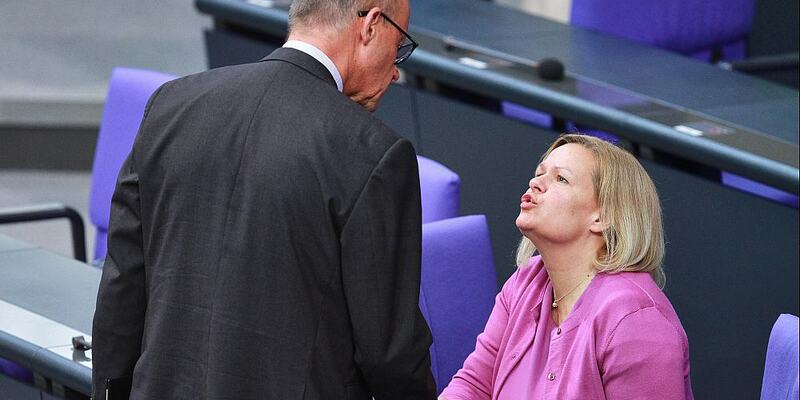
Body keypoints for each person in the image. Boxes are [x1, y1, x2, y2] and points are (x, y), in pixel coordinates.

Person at [91, 1, 437, 399]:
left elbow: (123, 290)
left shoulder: (171, 105)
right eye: (401, 46)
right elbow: (389, 353)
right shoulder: (373, 153)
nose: (396, 71)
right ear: (372, 25)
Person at [439, 134, 693, 399]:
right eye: (539, 173)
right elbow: (474, 386)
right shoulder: (525, 283)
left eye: (561, 178)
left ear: (603, 216)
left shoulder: (635, 319)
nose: (535, 183)